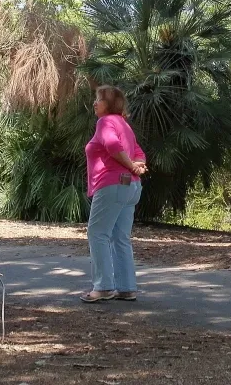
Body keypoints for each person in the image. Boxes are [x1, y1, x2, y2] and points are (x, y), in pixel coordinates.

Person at [83, 84, 147, 302]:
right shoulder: (124, 125)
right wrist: (138, 165)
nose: (94, 103)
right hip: (131, 187)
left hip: (112, 184)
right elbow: (139, 152)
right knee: (120, 237)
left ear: (109, 104)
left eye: (98, 99)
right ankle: (127, 287)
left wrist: (131, 165)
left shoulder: (106, 121)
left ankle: (103, 287)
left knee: (97, 233)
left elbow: (111, 145)